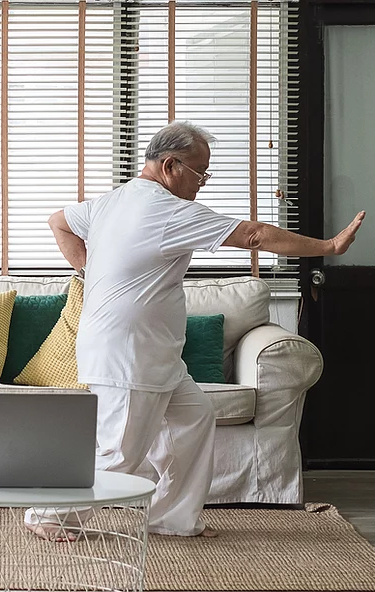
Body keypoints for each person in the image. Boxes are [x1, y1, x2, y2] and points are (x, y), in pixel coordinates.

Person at [26, 120, 365, 541]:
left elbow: (59, 221)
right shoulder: (166, 211)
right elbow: (254, 235)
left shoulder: (113, 201)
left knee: (193, 420)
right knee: (120, 453)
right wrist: (328, 247)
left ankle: (171, 518)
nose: (203, 183)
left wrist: (89, 269)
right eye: (200, 173)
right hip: (130, 353)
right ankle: (48, 514)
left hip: (155, 353)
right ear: (170, 165)